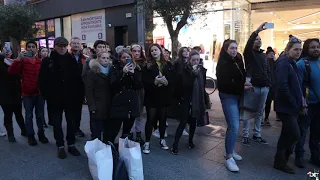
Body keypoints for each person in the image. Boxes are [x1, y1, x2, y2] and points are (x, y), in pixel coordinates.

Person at [39, 37, 83, 159]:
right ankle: (60, 146)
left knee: (71, 122)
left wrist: (78, 96)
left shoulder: (71, 60)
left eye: (64, 46)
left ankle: (71, 143)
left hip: (70, 97)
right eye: (59, 46)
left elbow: (77, 80)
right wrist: (47, 95)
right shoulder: (48, 61)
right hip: (54, 98)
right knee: (57, 124)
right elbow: (42, 80)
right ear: (55, 46)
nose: (62, 48)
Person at [8, 41, 49, 146]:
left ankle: (41, 134)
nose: (31, 49)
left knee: (40, 115)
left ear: (36, 49)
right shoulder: (22, 61)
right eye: (29, 47)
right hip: (27, 93)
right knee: (29, 116)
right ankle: (31, 136)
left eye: (33, 47)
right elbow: (11, 72)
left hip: (39, 93)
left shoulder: (40, 61)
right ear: (26, 49)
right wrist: (18, 59)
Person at [274, 37, 304, 174]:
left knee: (287, 134)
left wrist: (301, 101)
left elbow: (296, 85)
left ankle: (280, 161)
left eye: (300, 49)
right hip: (286, 107)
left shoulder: (292, 62)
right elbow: (282, 86)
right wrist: (294, 102)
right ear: (288, 50)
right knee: (294, 134)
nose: (298, 52)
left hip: (291, 106)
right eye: (295, 49)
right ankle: (282, 160)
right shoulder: (284, 63)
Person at [216, 40, 246, 172]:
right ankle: (228, 157)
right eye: (231, 48)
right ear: (226, 49)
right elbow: (224, 85)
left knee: (234, 125)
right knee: (234, 125)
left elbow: (242, 75)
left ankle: (230, 150)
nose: (234, 50)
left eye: (236, 47)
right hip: (228, 96)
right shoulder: (223, 63)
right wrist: (243, 86)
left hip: (238, 95)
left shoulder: (238, 58)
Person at [171, 50, 207, 155]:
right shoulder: (184, 70)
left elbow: (202, 87)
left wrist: (204, 100)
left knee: (193, 122)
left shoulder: (202, 71)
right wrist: (193, 75)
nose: (196, 62)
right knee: (183, 122)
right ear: (189, 60)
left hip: (196, 101)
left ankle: (190, 141)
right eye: (193, 60)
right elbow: (185, 84)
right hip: (185, 100)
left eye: (197, 60)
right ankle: (175, 145)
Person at [104, 48, 143, 144]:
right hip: (119, 102)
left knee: (127, 131)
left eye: (128, 57)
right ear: (120, 58)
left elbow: (139, 86)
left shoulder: (136, 68)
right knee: (114, 129)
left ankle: (123, 150)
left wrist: (133, 75)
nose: (126, 59)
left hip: (131, 102)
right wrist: (122, 73)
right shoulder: (115, 68)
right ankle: (110, 148)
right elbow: (113, 84)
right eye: (123, 57)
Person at [241, 22, 271, 146]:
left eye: (260, 40)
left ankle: (257, 134)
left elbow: (267, 70)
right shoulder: (249, 54)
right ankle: (245, 135)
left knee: (260, 112)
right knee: (248, 111)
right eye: (256, 39)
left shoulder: (264, 56)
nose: (258, 41)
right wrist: (256, 31)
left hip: (264, 87)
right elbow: (247, 47)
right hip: (252, 87)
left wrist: (269, 83)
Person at [142, 44, 174, 154]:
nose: (154, 52)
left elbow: (172, 80)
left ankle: (162, 139)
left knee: (163, 119)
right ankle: (147, 142)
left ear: (160, 51)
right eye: (152, 51)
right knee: (150, 120)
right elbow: (145, 81)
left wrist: (167, 82)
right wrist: (154, 82)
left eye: (156, 50)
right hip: (152, 97)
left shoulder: (168, 64)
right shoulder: (147, 65)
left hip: (164, 96)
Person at [295, 38, 320, 168]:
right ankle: (299, 156)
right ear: (307, 49)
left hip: (319, 105)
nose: (316, 49)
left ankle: (315, 156)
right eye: (312, 47)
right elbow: (298, 86)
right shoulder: (301, 64)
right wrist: (302, 104)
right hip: (308, 105)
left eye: (317, 47)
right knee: (302, 131)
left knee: (317, 132)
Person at [84, 51, 112, 141]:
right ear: (98, 59)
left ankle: (106, 149)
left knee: (108, 130)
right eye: (103, 58)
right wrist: (92, 107)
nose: (106, 60)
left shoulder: (112, 70)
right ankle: (96, 151)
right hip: (97, 105)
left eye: (107, 58)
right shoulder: (92, 72)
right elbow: (89, 91)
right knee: (97, 131)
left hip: (109, 105)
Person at [0, 52, 26, 142]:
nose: (7, 52)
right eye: (5, 50)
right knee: (8, 115)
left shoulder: (13, 61)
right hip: (4, 93)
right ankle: (10, 134)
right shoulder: (2, 62)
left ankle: (24, 130)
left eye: (9, 50)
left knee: (18, 113)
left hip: (16, 92)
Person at [69, 37, 86, 138]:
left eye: (77, 43)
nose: (76, 45)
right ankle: (71, 129)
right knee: (70, 111)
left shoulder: (84, 58)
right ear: (70, 45)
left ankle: (76, 128)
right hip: (69, 88)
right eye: (74, 43)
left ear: (80, 46)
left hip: (80, 88)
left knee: (78, 110)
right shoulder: (66, 56)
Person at [130, 44, 147, 144]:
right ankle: (130, 134)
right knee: (131, 114)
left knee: (140, 114)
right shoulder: (127, 62)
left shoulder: (144, 63)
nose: (136, 53)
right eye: (134, 51)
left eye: (138, 51)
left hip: (141, 91)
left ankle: (139, 135)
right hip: (131, 91)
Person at [263, 47, 276, 126]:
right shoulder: (264, 62)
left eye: (273, 54)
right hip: (265, 85)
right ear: (267, 55)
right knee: (262, 103)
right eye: (270, 54)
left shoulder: (276, 62)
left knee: (268, 103)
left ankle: (266, 118)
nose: (272, 55)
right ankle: (261, 118)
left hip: (272, 86)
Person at [38, 47, 50, 128]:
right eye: (43, 51)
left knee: (50, 105)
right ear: (40, 53)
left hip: (49, 87)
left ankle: (51, 120)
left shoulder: (50, 61)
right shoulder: (38, 62)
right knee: (41, 105)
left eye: (46, 51)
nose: (45, 52)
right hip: (40, 87)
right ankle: (43, 121)